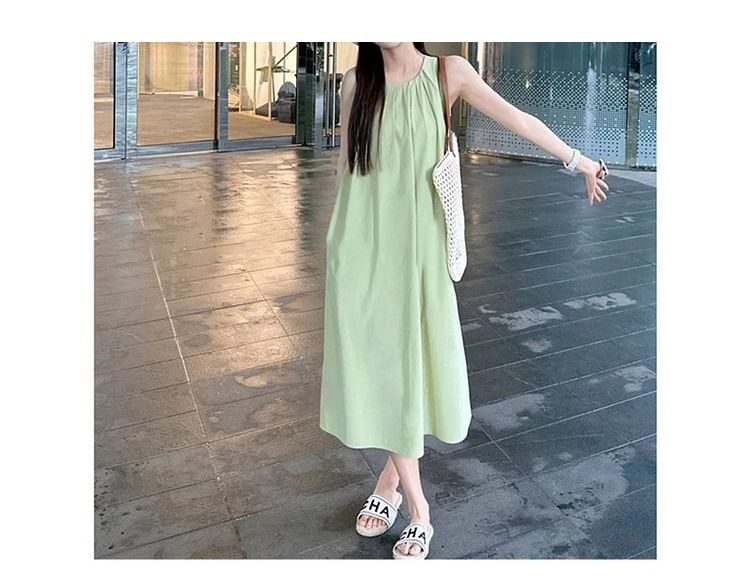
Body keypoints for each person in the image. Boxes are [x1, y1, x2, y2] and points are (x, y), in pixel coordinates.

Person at [318, 42, 609, 560]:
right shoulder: (355, 84)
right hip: (361, 247)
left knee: (410, 366)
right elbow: (347, 167)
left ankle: (395, 491)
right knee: (381, 367)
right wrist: (336, 245)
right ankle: (418, 508)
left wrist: (581, 162)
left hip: (420, 251)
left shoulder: (447, 73)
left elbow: (517, 119)